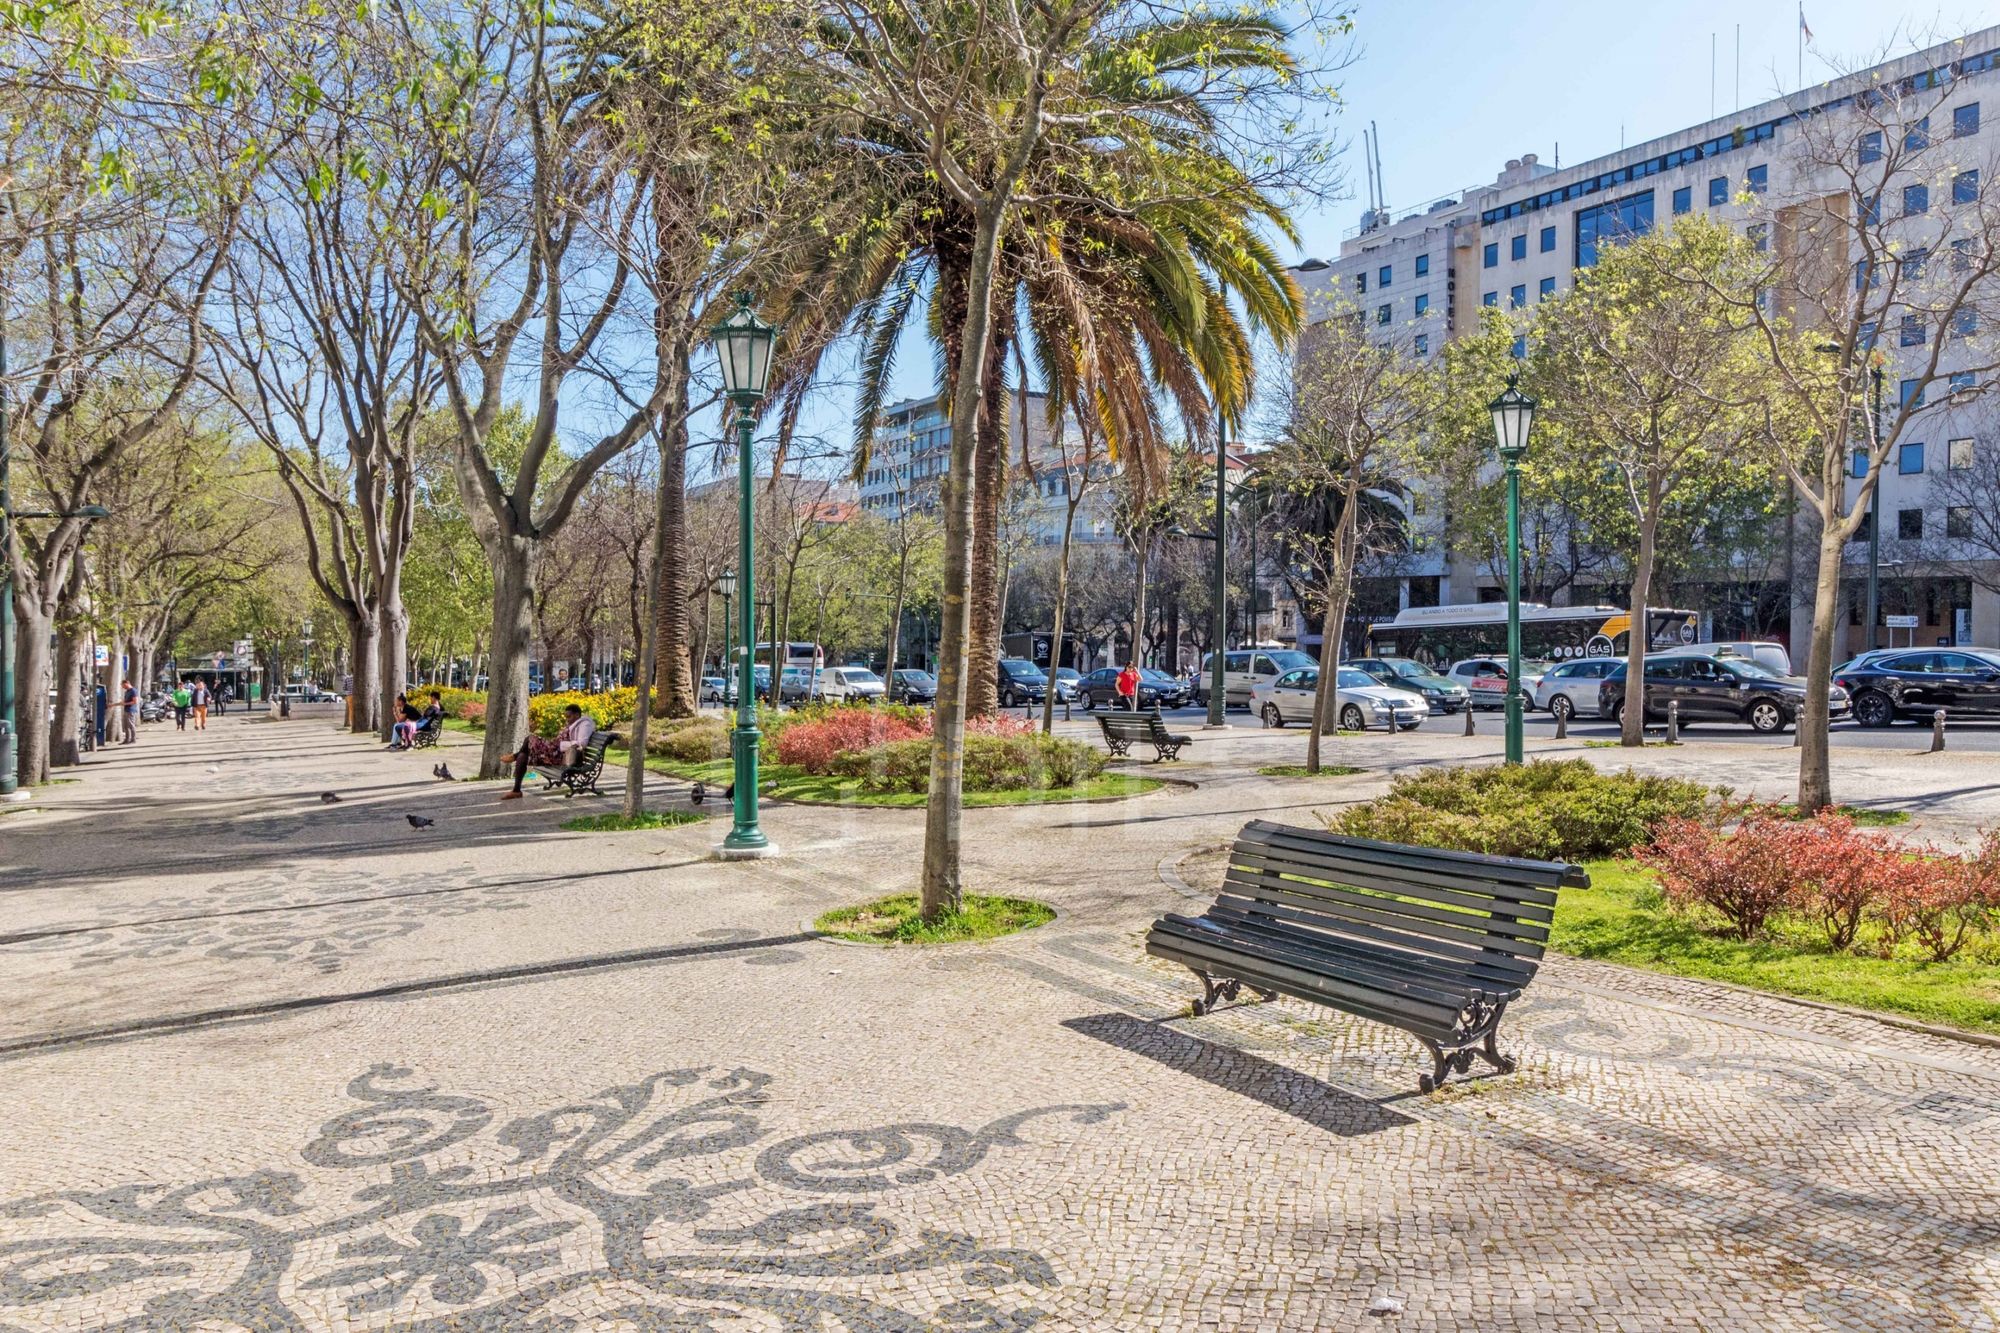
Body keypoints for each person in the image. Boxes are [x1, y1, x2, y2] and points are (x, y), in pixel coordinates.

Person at [500, 703, 596, 800]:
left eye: (569, 717)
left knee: (530, 739)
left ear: (577, 715)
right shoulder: (574, 723)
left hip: (561, 755)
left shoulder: (585, 724)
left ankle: (514, 756)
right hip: (555, 751)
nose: (567, 719)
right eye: (566, 717)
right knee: (523, 755)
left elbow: (582, 743)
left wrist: (561, 744)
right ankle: (516, 791)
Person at [117, 678, 138, 744]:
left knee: (131, 725)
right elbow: (125, 701)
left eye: (123, 685)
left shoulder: (133, 691)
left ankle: (133, 739)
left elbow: (135, 701)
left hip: (131, 710)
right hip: (126, 710)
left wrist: (125, 704)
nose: (123, 687)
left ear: (127, 683)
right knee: (126, 726)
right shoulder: (127, 692)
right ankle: (127, 739)